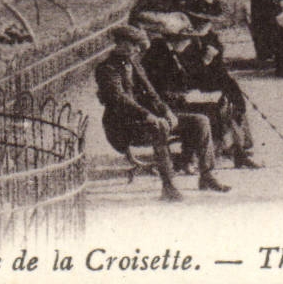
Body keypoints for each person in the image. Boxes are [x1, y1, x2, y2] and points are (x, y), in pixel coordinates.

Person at [95, 24, 230, 201]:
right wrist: (149, 115)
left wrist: (166, 112)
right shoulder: (107, 69)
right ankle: (168, 186)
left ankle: (207, 175)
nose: (138, 50)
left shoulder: (134, 64)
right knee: (158, 127)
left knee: (200, 121)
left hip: (144, 119)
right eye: (134, 45)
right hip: (122, 126)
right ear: (121, 43)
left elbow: (152, 94)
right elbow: (120, 100)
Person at [140, 12, 261, 171]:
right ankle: (192, 157)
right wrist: (185, 96)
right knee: (210, 109)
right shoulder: (158, 55)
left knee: (225, 101)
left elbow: (188, 77)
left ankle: (238, 153)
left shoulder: (176, 52)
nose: (190, 41)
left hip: (179, 99)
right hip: (164, 106)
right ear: (174, 38)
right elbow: (156, 90)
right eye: (187, 38)